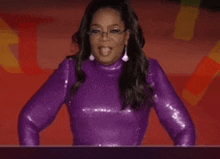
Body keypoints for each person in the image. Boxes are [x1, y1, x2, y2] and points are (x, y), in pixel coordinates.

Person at [18, 0, 196, 146]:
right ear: (88, 35)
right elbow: (29, 121)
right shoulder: (71, 70)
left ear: (127, 36)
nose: (104, 38)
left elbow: (183, 130)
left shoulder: (148, 72)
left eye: (114, 31)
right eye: (96, 31)